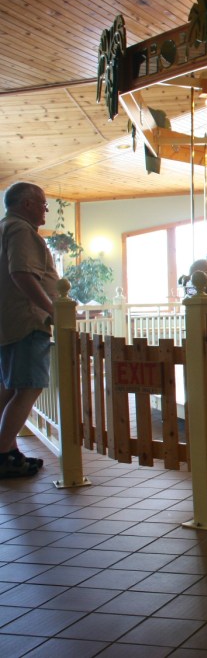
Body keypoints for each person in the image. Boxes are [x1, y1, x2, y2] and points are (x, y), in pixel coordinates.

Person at [0, 182, 59, 478]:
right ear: (27, 204)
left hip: (9, 320)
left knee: (9, 386)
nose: (45, 210)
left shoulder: (5, 227)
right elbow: (21, 272)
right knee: (29, 385)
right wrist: (51, 308)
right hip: (26, 320)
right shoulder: (22, 230)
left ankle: (9, 451)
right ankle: (2, 454)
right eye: (43, 204)